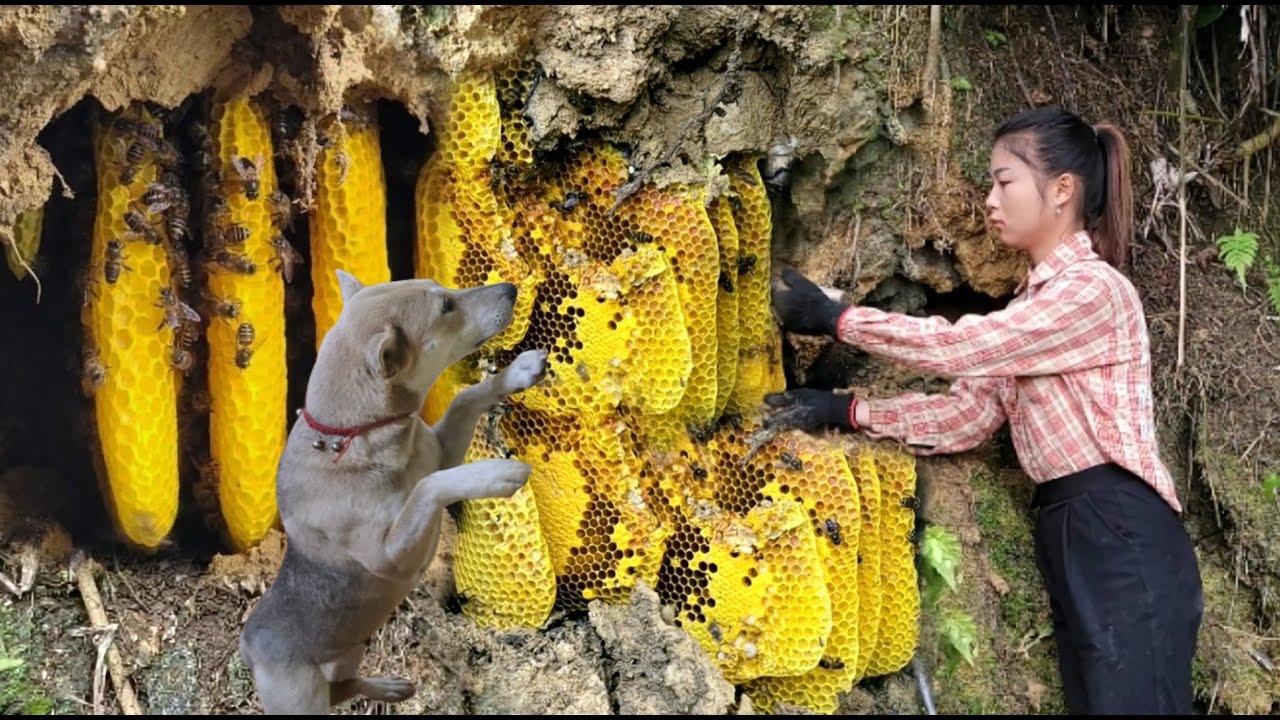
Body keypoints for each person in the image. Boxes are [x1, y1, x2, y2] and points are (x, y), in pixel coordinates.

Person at [763, 105, 1204, 715]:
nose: (991, 201)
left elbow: (964, 346)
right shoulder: (1031, 311)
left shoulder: (1093, 292)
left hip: (1118, 526)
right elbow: (964, 418)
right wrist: (846, 411)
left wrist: (839, 320)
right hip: (1072, 527)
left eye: (1004, 181)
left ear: (1062, 190)